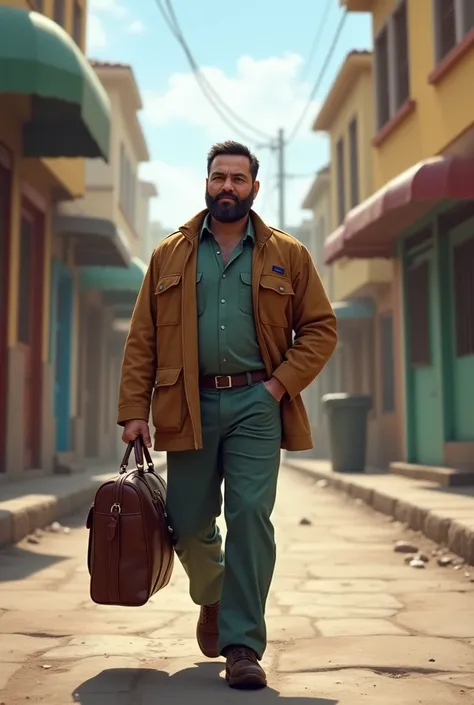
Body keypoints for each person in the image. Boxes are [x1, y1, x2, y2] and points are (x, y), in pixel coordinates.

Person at [117, 140, 337, 689]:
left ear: (254, 188)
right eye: (219, 177)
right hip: (185, 403)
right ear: (206, 182)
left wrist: (278, 387)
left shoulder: (288, 254)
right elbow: (142, 337)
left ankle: (242, 645)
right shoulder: (169, 254)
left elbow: (320, 329)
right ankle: (214, 596)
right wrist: (132, 411)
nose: (228, 187)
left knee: (250, 519)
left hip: (257, 405)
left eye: (239, 178)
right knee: (187, 522)